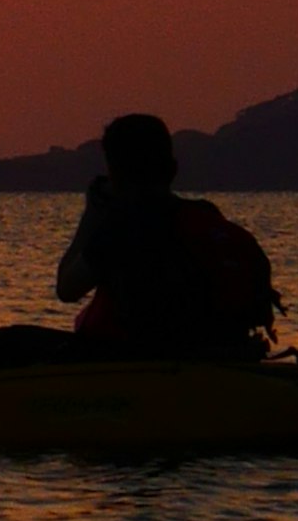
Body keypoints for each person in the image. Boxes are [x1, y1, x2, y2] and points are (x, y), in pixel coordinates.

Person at [54, 115, 279, 358]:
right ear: (172, 169)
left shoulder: (122, 228)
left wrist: (93, 213)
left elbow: (67, 289)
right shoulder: (208, 216)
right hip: (223, 353)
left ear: (115, 174)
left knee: (11, 341)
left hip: (143, 358)